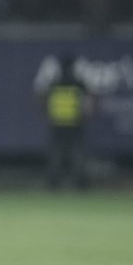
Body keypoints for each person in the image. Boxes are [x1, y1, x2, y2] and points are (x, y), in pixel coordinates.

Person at [39, 54, 94, 190]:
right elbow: (90, 100)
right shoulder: (78, 83)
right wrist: (86, 114)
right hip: (74, 123)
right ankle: (80, 183)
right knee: (76, 154)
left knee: (57, 154)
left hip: (58, 123)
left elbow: (42, 99)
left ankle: (53, 183)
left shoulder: (54, 83)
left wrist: (46, 113)